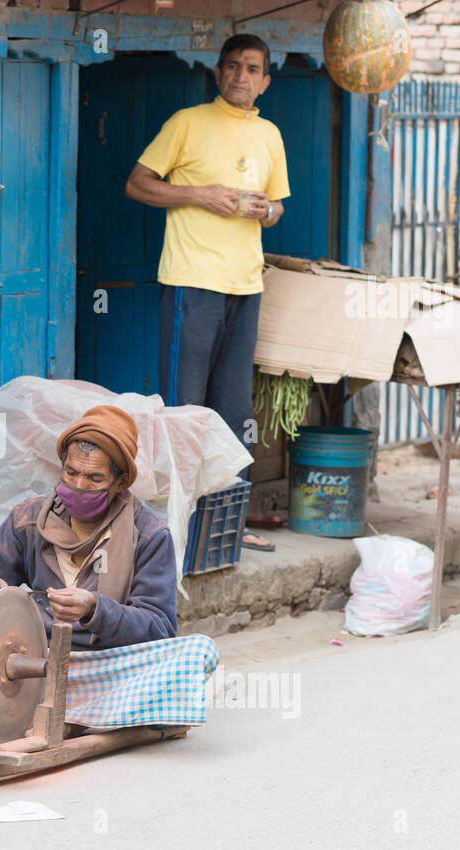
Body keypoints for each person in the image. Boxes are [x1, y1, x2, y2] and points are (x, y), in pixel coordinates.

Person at [0, 406, 219, 733]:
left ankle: (49, 714)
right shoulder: (29, 519)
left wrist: (96, 609)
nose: (78, 485)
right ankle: (58, 714)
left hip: (102, 669)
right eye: (70, 473)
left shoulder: (149, 534)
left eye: (94, 478)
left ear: (120, 482)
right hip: (27, 664)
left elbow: (160, 629)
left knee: (199, 653)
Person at [124, 33, 290, 553]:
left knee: (233, 410)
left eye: (253, 68)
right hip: (192, 282)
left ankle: (226, 523)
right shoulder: (187, 123)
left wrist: (267, 211)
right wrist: (200, 194)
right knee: (183, 408)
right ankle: (170, 531)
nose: (242, 75)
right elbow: (137, 183)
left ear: (265, 80)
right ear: (218, 73)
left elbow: (278, 205)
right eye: (234, 66)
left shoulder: (269, 134)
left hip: (246, 284)